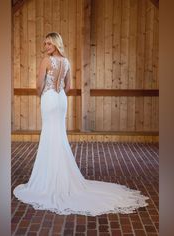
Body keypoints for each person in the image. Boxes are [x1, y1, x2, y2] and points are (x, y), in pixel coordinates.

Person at [13, 32, 149, 216]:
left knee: (49, 135)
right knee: (58, 135)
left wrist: (43, 95)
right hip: (61, 99)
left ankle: (49, 179)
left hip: (50, 98)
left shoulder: (47, 60)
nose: (46, 47)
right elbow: (68, 88)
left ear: (55, 44)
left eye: (49, 44)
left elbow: (39, 85)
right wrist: (56, 92)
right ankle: (61, 175)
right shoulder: (67, 62)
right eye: (45, 44)